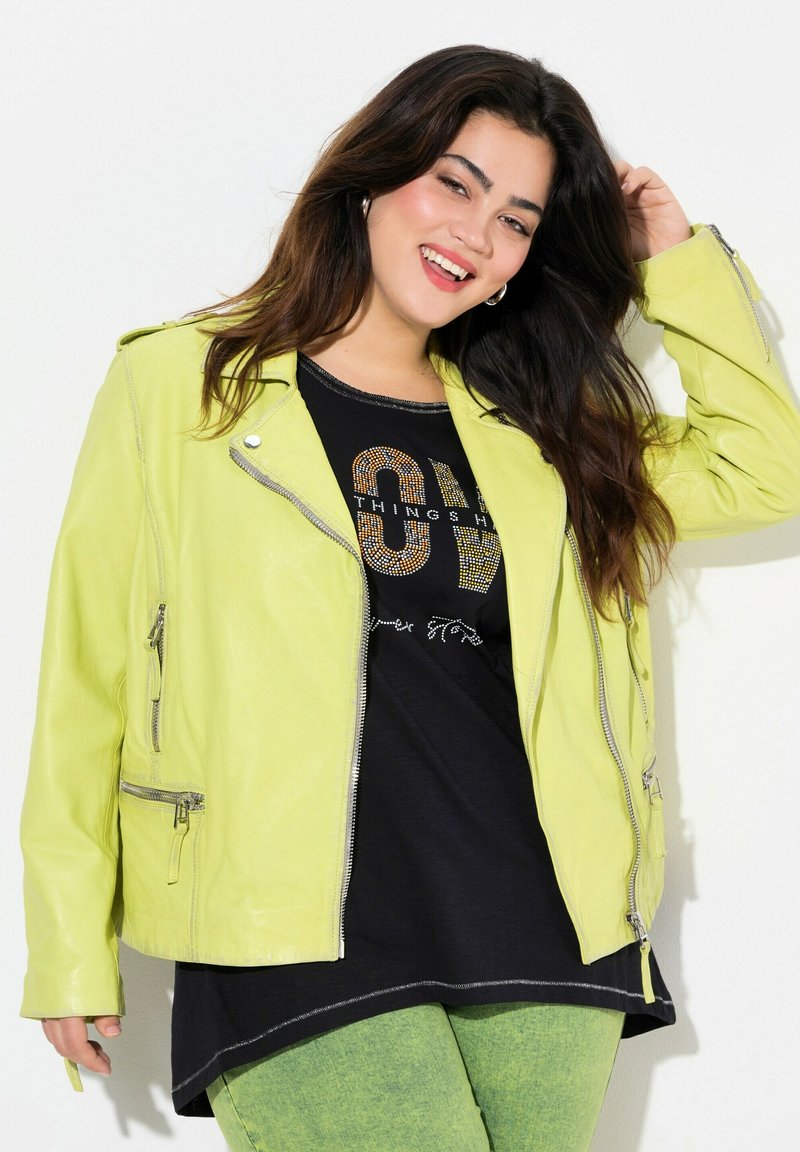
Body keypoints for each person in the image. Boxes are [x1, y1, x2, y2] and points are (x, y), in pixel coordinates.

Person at [20, 43, 800, 1152]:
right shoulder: (183, 385)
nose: (475, 237)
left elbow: (767, 469)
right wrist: (66, 941)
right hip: (283, 926)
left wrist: (674, 262)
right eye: (454, 184)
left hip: (539, 920)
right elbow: (88, 670)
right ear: (375, 177)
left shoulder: (542, 426)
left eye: (517, 221)